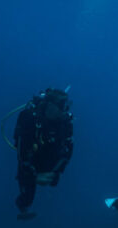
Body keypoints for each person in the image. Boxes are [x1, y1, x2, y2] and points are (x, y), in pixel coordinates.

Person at [9, 87, 73, 219]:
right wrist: (33, 176)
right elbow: (22, 155)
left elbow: (68, 149)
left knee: (53, 182)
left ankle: (45, 195)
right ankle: (22, 206)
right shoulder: (28, 118)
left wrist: (56, 172)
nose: (63, 111)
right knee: (27, 196)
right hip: (31, 157)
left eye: (64, 107)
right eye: (60, 106)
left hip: (49, 157)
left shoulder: (64, 122)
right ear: (49, 106)